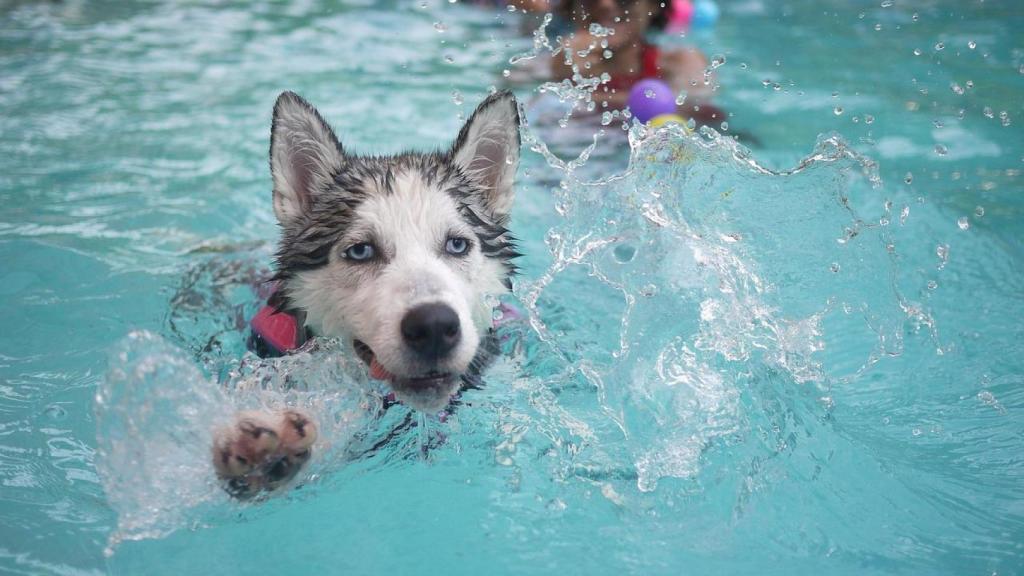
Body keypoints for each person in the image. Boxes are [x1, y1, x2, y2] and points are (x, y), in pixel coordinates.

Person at [551, 0, 725, 127]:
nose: (605, 5)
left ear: (653, 6)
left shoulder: (680, 62)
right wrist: (559, 74)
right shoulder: (557, 63)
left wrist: (575, 98)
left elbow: (703, 113)